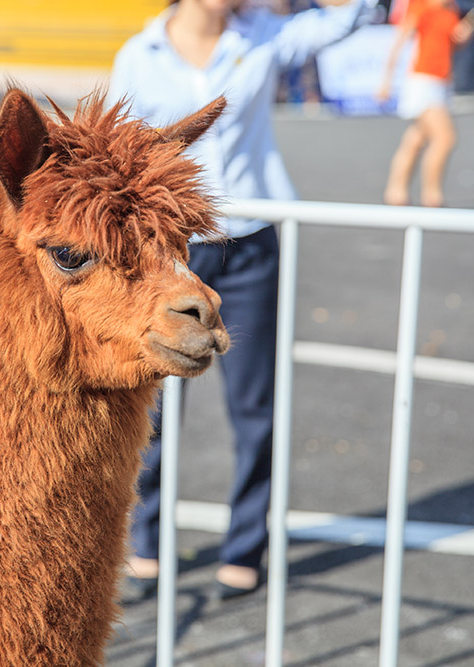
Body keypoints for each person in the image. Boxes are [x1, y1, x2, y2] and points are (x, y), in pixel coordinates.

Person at [109, 0, 372, 601]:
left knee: (255, 407)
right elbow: (117, 156)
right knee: (151, 405)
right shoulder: (138, 55)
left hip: (251, 241)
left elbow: (346, 18)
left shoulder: (265, 36)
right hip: (169, 252)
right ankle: (143, 538)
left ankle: (245, 545)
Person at [377, 0, 474, 207]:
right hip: (423, 81)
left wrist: (464, 37)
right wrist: (386, 79)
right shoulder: (421, 6)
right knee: (445, 138)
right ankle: (432, 195)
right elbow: (401, 39)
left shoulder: (451, 11)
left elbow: (452, 45)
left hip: (442, 81)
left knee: (416, 138)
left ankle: (396, 191)